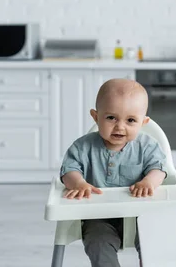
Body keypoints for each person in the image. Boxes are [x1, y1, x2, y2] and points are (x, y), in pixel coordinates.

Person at [60, 78, 167, 267]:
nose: (120, 126)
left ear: (143, 122)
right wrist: (78, 183)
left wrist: (148, 182)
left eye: (131, 120)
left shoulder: (148, 146)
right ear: (95, 116)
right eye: (111, 118)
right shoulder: (83, 147)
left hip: (139, 215)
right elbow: (69, 169)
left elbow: (159, 169)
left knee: (154, 240)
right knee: (97, 242)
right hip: (99, 217)